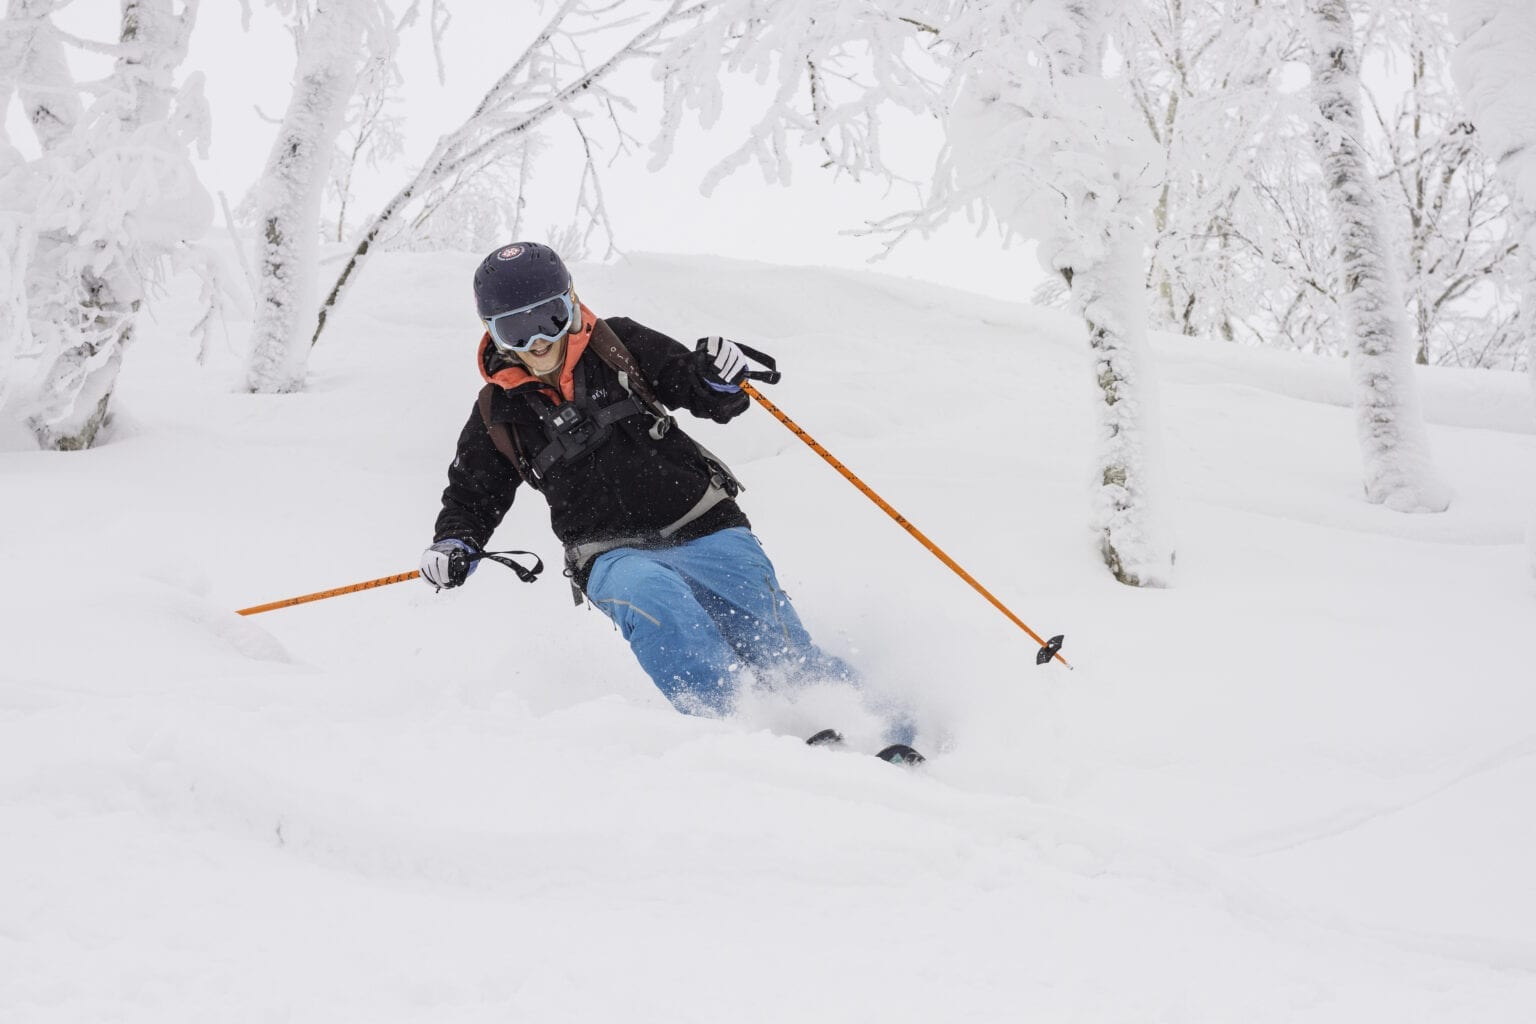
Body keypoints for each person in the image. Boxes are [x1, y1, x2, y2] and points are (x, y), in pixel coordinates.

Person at [420, 242, 918, 758]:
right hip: (609, 552)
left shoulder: (619, 343)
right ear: (492, 333)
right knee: (658, 604)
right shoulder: (497, 413)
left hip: (704, 521)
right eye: (516, 330)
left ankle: (883, 732)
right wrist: (454, 540)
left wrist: (715, 375)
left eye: (550, 317)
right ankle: (749, 736)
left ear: (571, 301)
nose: (539, 339)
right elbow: (472, 494)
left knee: (775, 641)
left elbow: (696, 386)